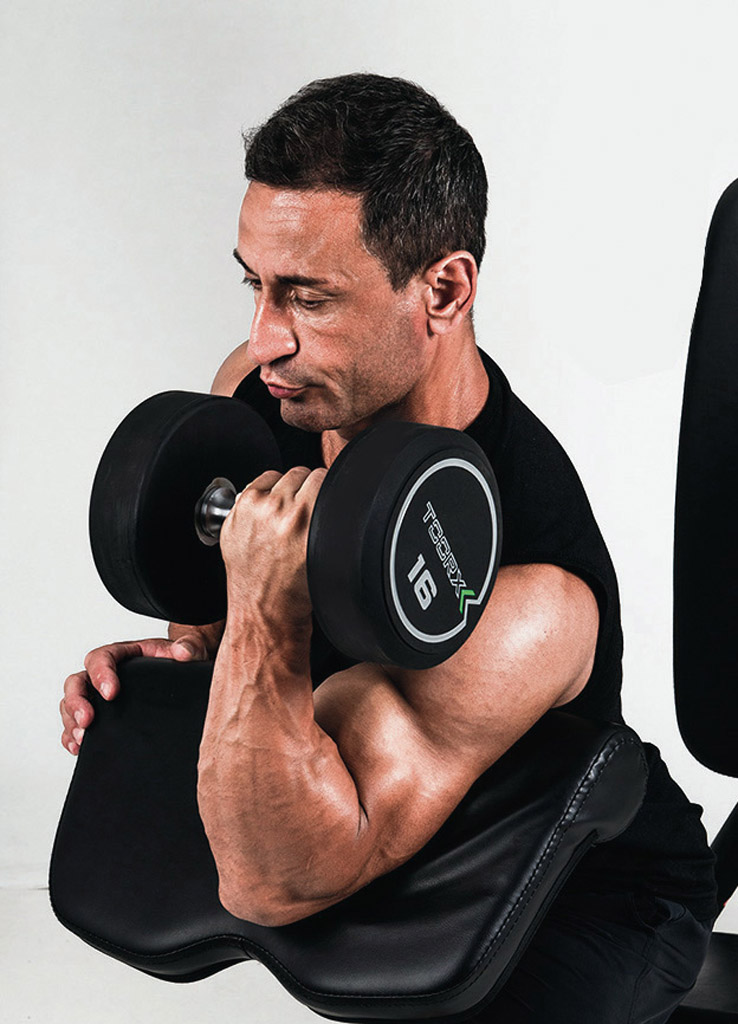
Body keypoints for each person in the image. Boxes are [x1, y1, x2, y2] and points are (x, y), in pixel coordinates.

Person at [59, 74, 716, 1022]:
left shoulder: (534, 596)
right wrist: (188, 663)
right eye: (255, 284)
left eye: (308, 298)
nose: (264, 338)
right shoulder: (269, 394)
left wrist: (266, 617)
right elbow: (223, 635)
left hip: (576, 896)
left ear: (443, 289)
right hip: (395, 835)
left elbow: (272, 883)